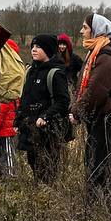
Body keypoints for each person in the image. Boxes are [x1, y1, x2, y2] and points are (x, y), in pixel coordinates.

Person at [73, 13, 111, 199]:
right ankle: (101, 201)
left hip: (103, 117)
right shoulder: (94, 54)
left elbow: (95, 91)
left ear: (97, 31)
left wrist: (76, 112)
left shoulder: (106, 59)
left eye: (85, 28)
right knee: (96, 160)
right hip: (96, 117)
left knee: (99, 162)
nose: (82, 31)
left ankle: (100, 203)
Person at [17, 34, 71, 185]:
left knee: (48, 167)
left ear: (48, 49)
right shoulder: (30, 71)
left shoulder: (56, 73)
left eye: (38, 47)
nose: (34, 50)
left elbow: (63, 101)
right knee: (33, 162)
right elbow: (25, 98)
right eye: (33, 46)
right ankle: (40, 196)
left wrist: (46, 116)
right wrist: (18, 119)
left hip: (49, 131)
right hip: (30, 127)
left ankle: (49, 197)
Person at [0, 37, 22, 178]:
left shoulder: (7, 83)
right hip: (0, 129)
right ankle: (3, 176)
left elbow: (3, 106)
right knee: (0, 154)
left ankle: (10, 177)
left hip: (5, 128)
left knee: (8, 155)